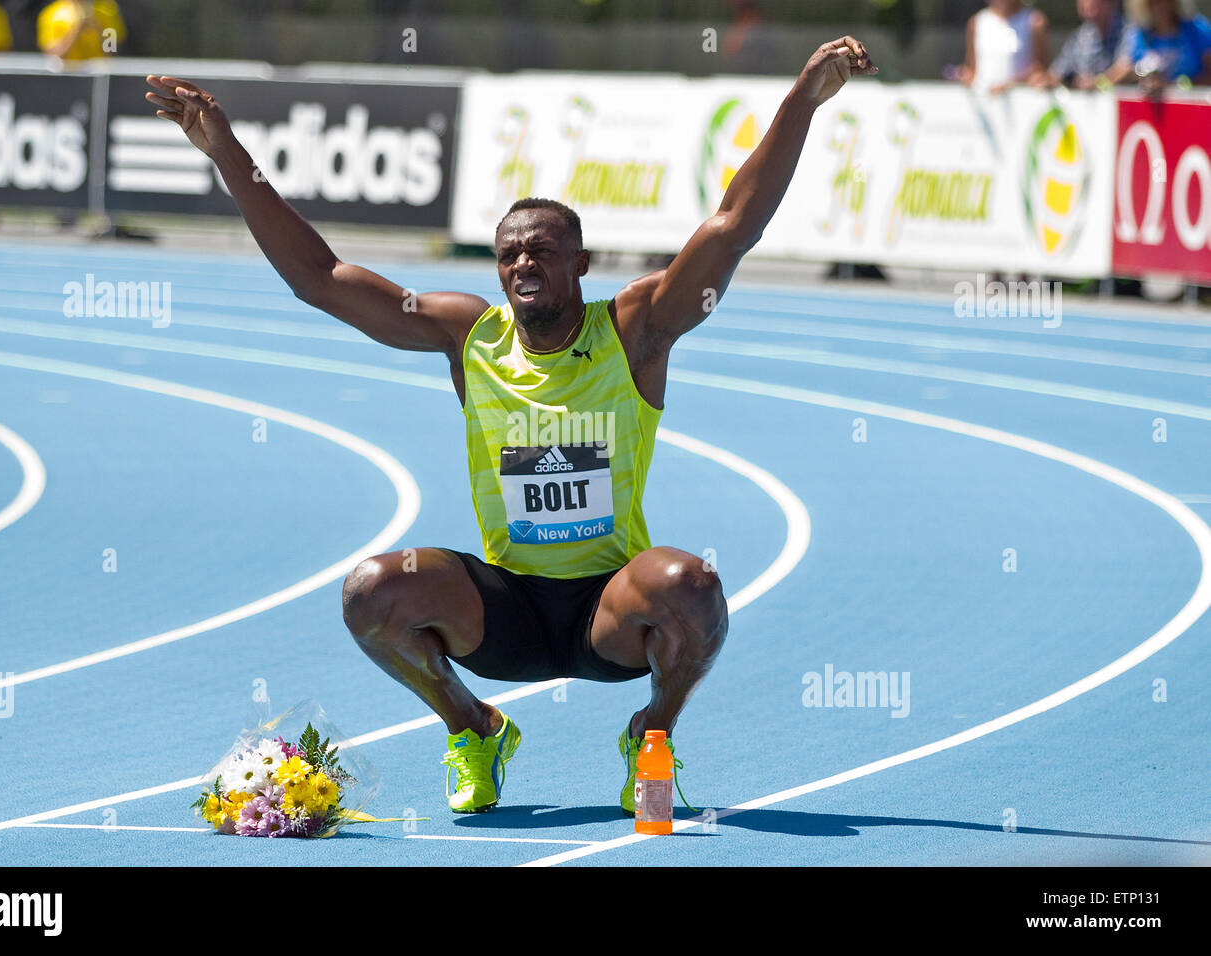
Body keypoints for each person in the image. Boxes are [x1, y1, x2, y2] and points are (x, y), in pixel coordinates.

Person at [144, 38, 878, 815]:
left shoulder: (638, 330)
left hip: (609, 613)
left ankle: (653, 736)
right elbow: (321, 281)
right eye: (508, 254)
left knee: (692, 587)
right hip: (505, 611)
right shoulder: (470, 337)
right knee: (370, 594)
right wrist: (227, 153)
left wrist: (802, 100)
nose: (523, 262)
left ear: (581, 263)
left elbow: (732, 226)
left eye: (542, 249)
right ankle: (474, 728)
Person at [1107, 0, 1211, 89]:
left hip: (1193, 108)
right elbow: (1122, 70)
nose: (1159, 6)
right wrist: (1098, 84)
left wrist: (1175, 86)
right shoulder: (1139, 35)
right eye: (1152, 2)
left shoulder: (1196, 29)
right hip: (1152, 109)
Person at [958, 0, 1050, 92]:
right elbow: (972, 70)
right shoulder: (975, 22)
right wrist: (964, 76)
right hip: (982, 99)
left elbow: (1039, 70)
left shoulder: (1035, 20)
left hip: (1020, 100)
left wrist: (1011, 85)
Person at [1039, 0, 1128, 88]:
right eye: (1083, 4)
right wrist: (1044, 80)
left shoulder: (1129, 32)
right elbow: (1057, 72)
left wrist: (1098, 84)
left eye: (1094, 4)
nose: (1088, 6)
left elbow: (1126, 70)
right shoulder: (1081, 35)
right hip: (1084, 99)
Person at [37, 0, 126, 62]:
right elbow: (53, 55)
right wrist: (75, 32)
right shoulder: (51, 14)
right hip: (66, 76)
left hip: (99, 78)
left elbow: (113, 52)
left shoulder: (108, 10)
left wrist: (98, 29)